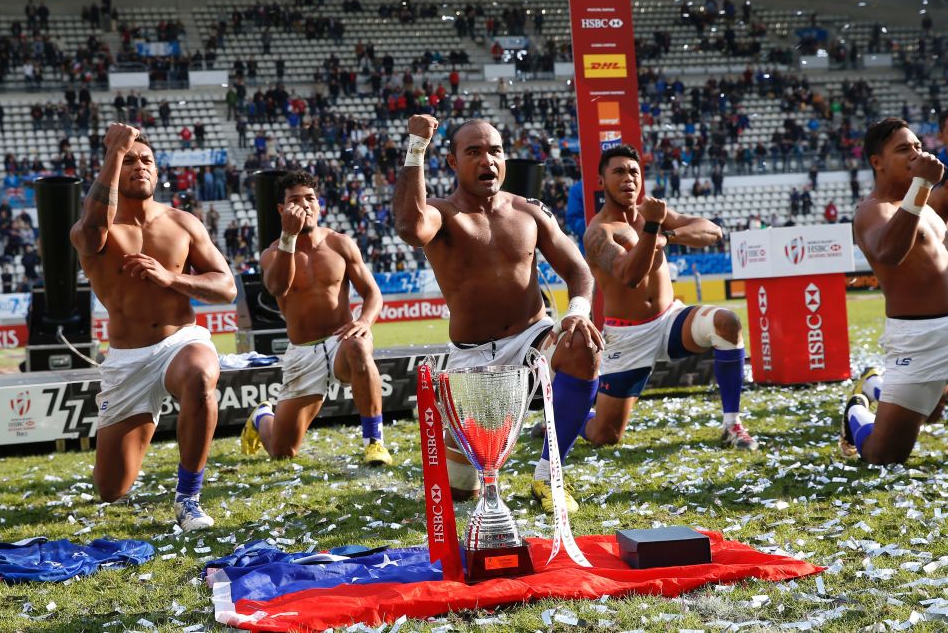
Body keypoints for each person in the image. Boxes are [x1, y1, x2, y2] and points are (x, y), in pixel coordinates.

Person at [393, 115, 603, 513]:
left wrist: (577, 311)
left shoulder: (529, 211)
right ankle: (468, 451)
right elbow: (409, 227)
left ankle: (548, 477)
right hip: (471, 359)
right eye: (473, 152)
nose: (486, 160)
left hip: (531, 338)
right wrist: (417, 147)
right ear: (453, 162)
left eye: (495, 151)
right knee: (463, 491)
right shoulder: (440, 212)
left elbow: (578, 271)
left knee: (582, 345)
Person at [71, 123, 236, 530]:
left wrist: (172, 279)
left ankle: (189, 498)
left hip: (180, 340)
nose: (139, 166)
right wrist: (116, 148)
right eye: (128, 161)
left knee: (200, 376)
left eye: (146, 160)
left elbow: (226, 287)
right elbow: (92, 227)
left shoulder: (183, 223)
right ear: (111, 168)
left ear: (158, 171)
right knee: (111, 489)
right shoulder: (96, 229)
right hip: (128, 359)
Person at [583, 144, 758, 451]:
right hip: (628, 336)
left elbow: (713, 231)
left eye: (634, 172)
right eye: (619, 172)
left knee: (726, 323)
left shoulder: (652, 218)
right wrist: (653, 229)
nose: (628, 179)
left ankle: (733, 425)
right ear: (601, 181)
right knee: (605, 436)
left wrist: (668, 234)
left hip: (669, 319)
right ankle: (562, 418)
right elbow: (630, 276)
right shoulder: (598, 232)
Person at [240, 170, 391, 466]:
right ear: (282, 211)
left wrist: (364, 322)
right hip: (302, 351)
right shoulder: (273, 253)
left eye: (309, 198)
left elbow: (373, 294)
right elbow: (276, 287)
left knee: (359, 345)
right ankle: (262, 417)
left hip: (340, 341)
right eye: (295, 200)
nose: (304, 205)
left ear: (319, 204)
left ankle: (374, 441)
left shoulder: (340, 243)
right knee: (283, 451)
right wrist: (289, 235)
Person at [842, 118, 948, 464]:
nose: (916, 155)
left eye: (918, 147)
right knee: (883, 455)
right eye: (904, 149)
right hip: (919, 339)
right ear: (878, 162)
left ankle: (878, 387)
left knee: (931, 413)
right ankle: (860, 405)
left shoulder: (926, 205)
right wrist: (921, 187)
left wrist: (921, 191)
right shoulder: (872, 211)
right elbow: (890, 254)